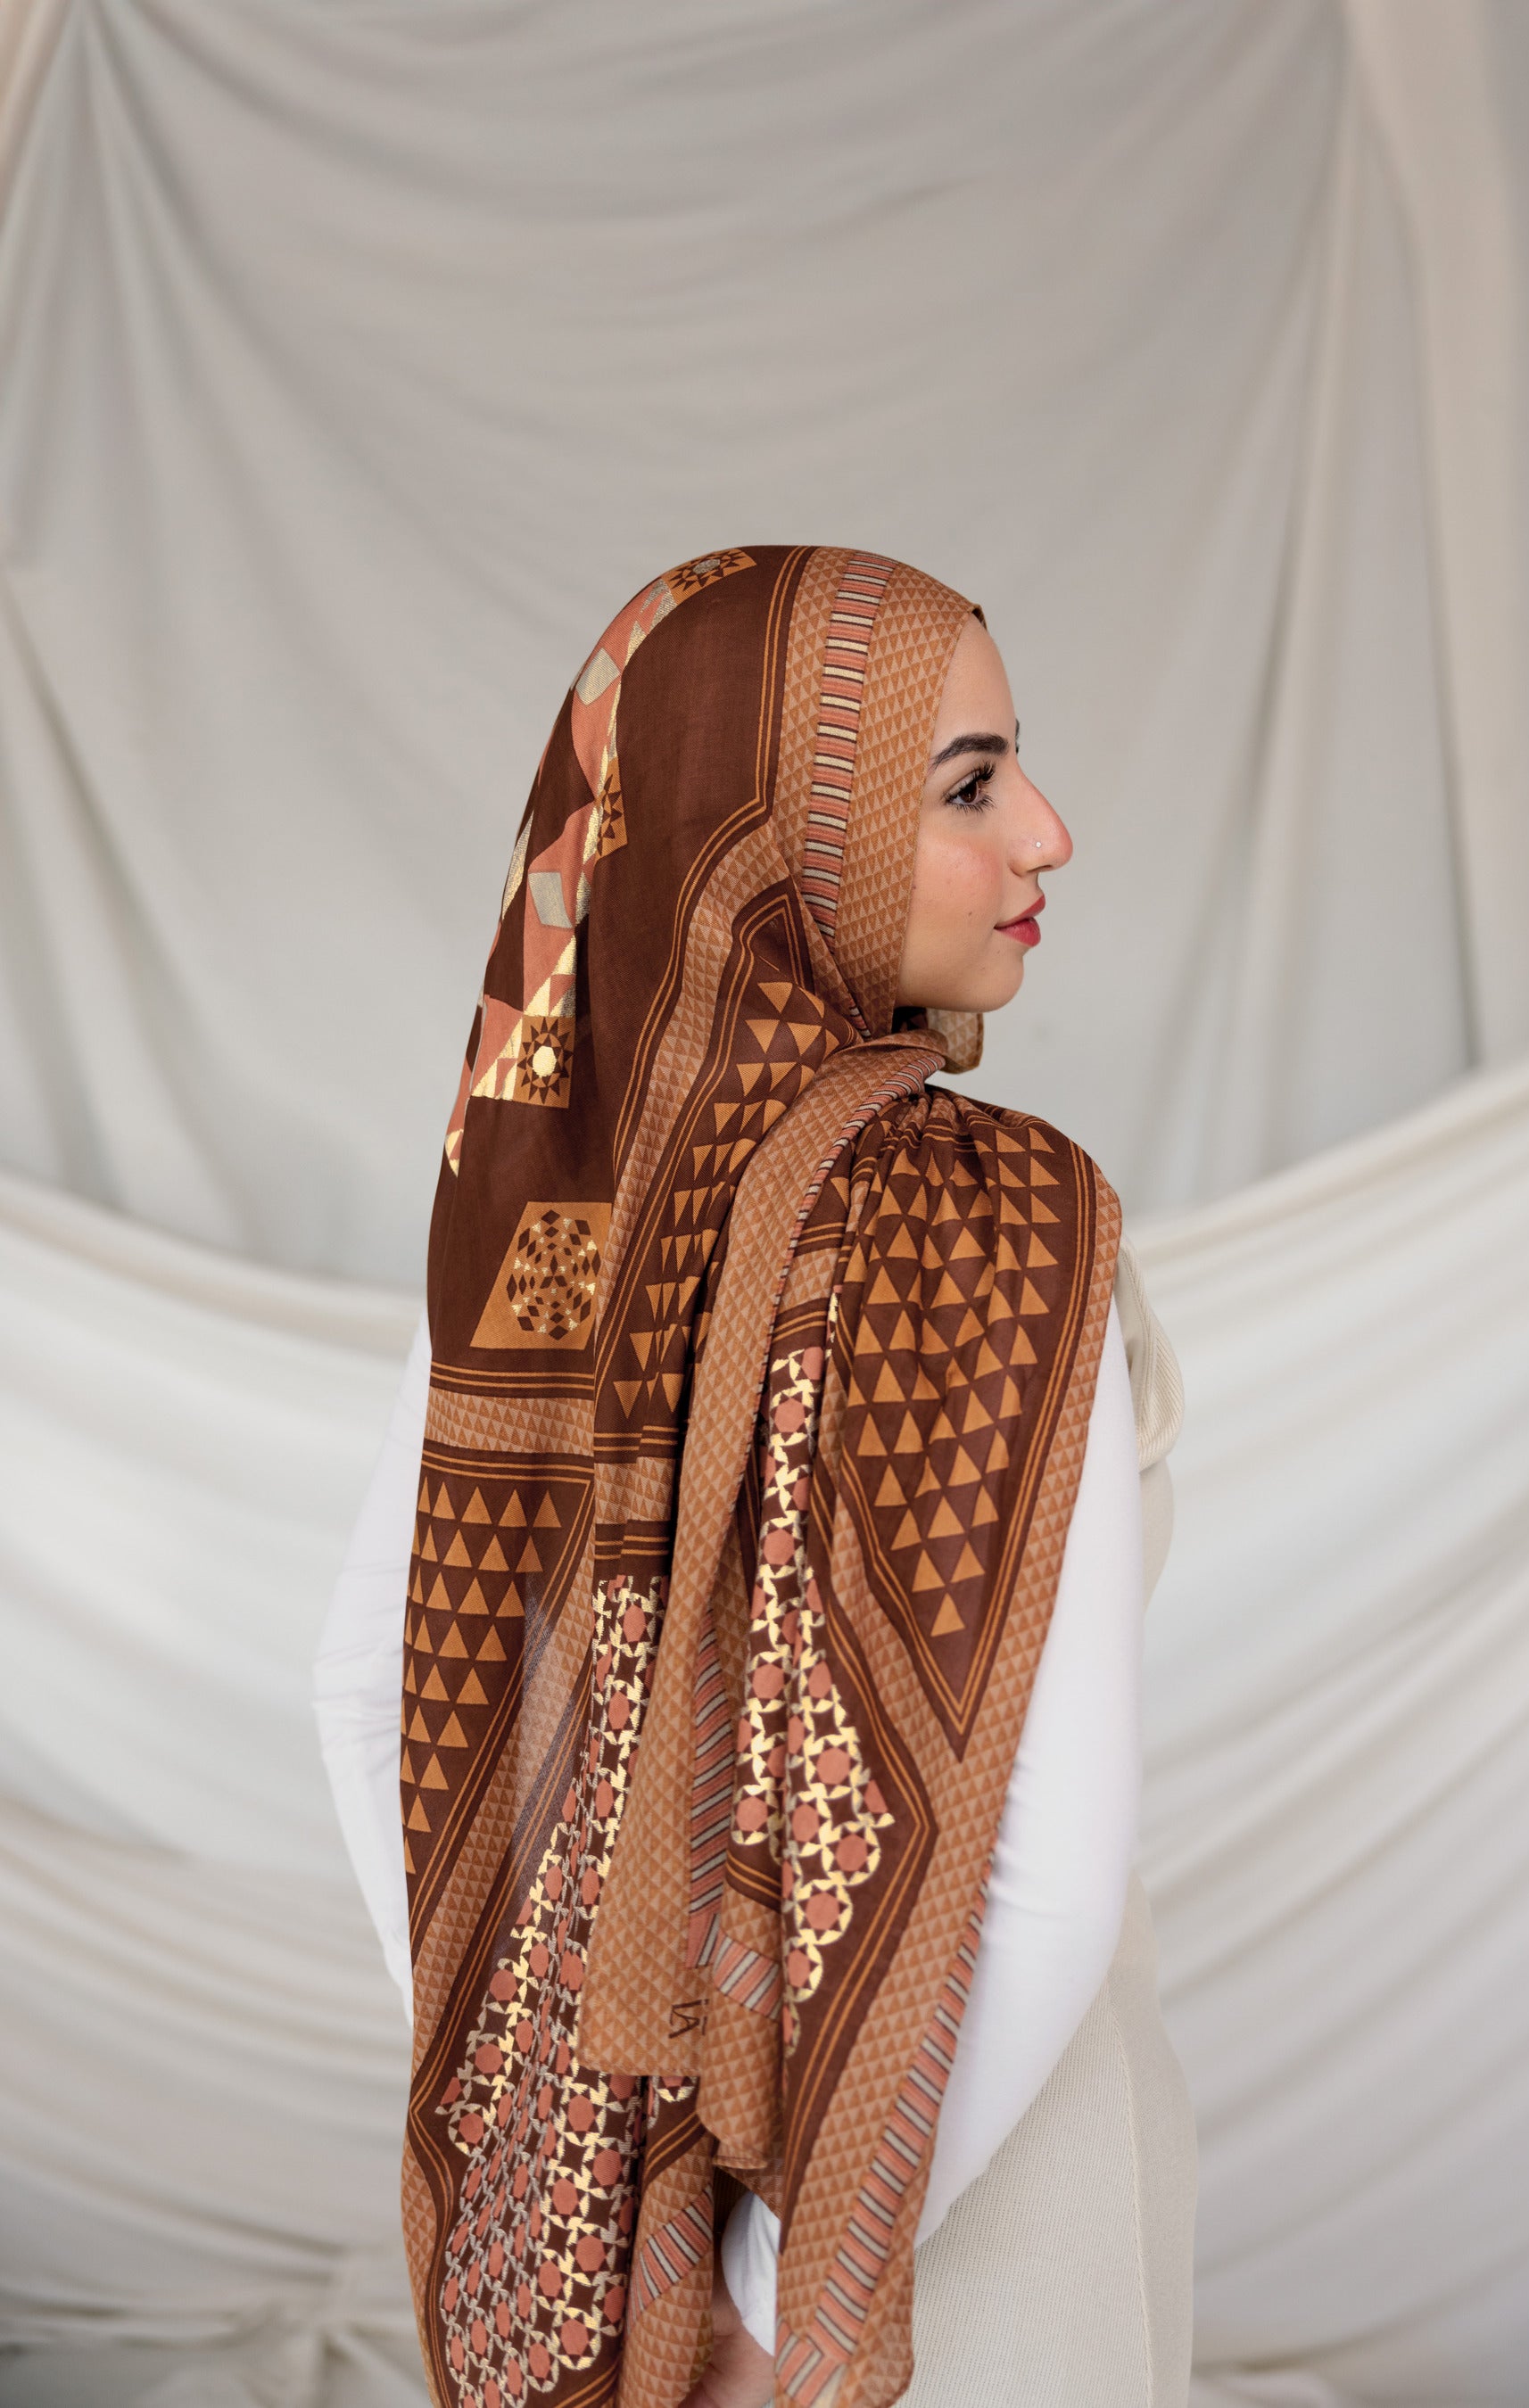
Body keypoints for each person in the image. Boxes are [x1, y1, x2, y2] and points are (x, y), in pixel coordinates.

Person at [316, 545, 1194, 2408]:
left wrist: (568, 2177)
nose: (1049, 834)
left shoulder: (538, 1224)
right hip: (980, 2224)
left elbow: (372, 1699)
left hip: (617, 2250)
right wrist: (799, 2300)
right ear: (782, 838)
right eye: (969, 787)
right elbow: (1035, 1877)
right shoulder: (1006, 1233)